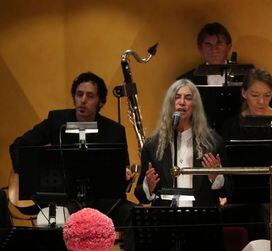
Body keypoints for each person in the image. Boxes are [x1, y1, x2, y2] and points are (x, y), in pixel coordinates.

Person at [9, 72, 135, 239]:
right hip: (64, 199)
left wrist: (124, 175)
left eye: (90, 96)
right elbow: (18, 146)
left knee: (135, 215)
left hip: (102, 203)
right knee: (58, 220)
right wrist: (30, 172)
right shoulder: (56, 121)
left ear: (100, 102)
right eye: (79, 94)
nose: (83, 100)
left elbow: (122, 168)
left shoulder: (115, 131)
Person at [220, 69, 272, 240]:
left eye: (267, 95)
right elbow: (226, 163)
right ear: (244, 93)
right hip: (241, 190)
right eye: (255, 95)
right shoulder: (232, 125)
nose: (261, 101)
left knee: (263, 207)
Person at [134, 79, 228, 207]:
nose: (182, 102)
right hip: (166, 221)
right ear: (170, 103)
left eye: (188, 98)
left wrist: (216, 177)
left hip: (201, 221)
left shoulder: (213, 143)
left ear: (195, 105)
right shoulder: (152, 145)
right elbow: (141, 196)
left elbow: (228, 191)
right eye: (177, 97)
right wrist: (148, 186)